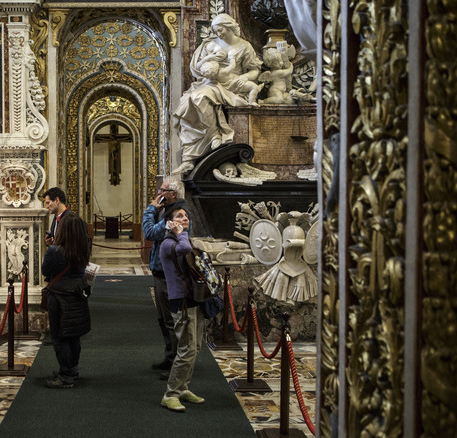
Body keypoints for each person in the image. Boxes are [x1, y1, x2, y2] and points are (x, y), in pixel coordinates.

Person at [171, 13, 262, 175]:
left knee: (198, 97)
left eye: (221, 30)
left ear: (229, 27)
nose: (219, 34)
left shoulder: (244, 46)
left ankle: (212, 137)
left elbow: (254, 71)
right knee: (188, 102)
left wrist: (245, 77)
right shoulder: (210, 45)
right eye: (216, 31)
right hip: (210, 82)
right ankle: (189, 157)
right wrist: (210, 58)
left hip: (233, 85)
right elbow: (197, 70)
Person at [159, 206, 206, 412]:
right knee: (186, 349)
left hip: (194, 298)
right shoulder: (168, 243)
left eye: (186, 216)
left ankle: (183, 387)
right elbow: (185, 250)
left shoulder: (181, 239)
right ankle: (170, 394)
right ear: (169, 222)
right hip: (181, 301)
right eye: (179, 216)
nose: (185, 218)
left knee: (195, 348)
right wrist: (180, 232)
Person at [141, 177, 189, 380]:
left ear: (173, 194)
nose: (158, 192)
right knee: (163, 319)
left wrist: (150, 208)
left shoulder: (177, 214)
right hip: (161, 273)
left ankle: (176, 364)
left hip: (170, 274)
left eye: (163, 190)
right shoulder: (168, 210)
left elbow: (149, 232)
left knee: (171, 320)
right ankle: (170, 357)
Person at [41, 214, 93, 388]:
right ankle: (73, 369)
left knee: (59, 336)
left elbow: (45, 271)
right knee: (73, 335)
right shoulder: (84, 248)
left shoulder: (55, 251)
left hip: (59, 296)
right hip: (78, 294)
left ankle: (65, 376)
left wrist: (50, 246)